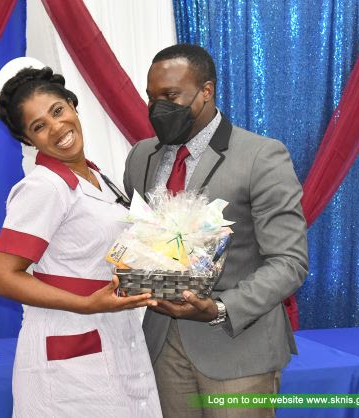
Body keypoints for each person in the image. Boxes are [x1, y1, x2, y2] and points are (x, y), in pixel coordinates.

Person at [123, 44, 309, 417]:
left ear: (206, 91)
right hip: (162, 344)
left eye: (171, 96)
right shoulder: (141, 156)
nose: (158, 108)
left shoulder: (261, 156)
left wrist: (221, 309)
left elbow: (289, 262)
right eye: (152, 98)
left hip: (238, 349)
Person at [0, 57, 162, 417]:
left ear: (72, 105)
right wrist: (85, 304)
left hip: (116, 335)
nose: (56, 127)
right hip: (70, 353)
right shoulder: (44, 187)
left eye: (58, 110)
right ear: (27, 139)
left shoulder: (99, 177)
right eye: (39, 126)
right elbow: (1, 277)